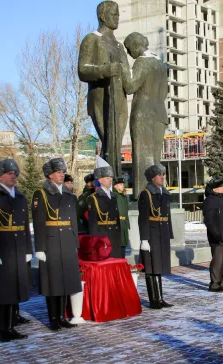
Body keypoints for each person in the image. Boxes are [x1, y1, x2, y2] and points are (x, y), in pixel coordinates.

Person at [0, 159, 32, 342]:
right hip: (1, 250)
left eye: (15, 173)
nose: (13, 177)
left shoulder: (20, 197)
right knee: (0, 292)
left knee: (12, 291)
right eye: (10, 173)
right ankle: (1, 330)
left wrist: (27, 249)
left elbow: (25, 226)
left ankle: (10, 327)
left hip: (17, 250)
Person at [78, 0, 129, 176]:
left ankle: (114, 182)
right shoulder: (92, 39)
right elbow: (82, 70)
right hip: (101, 98)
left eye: (118, 14)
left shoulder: (119, 45)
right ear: (102, 16)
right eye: (113, 14)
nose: (117, 17)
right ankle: (107, 183)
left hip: (120, 100)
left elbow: (127, 79)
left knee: (116, 144)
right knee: (108, 142)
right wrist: (104, 70)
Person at [32, 158, 81, 331]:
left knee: (65, 280)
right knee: (53, 282)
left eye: (62, 172)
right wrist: (39, 248)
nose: (62, 175)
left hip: (67, 240)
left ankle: (62, 316)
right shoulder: (42, 194)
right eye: (59, 172)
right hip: (51, 240)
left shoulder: (68, 193)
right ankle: (53, 318)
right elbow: (38, 223)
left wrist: (75, 242)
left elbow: (73, 219)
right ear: (50, 175)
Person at [121, 31, 169, 199]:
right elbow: (165, 92)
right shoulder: (161, 65)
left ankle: (142, 195)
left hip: (143, 113)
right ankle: (157, 193)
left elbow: (130, 86)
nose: (129, 53)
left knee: (141, 156)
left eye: (128, 49)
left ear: (135, 46)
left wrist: (123, 67)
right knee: (155, 156)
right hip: (160, 113)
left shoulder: (143, 62)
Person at [138, 163, 174, 309]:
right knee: (151, 267)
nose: (162, 177)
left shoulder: (164, 193)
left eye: (163, 175)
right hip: (152, 233)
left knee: (159, 266)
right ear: (153, 178)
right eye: (160, 175)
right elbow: (143, 218)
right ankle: (154, 299)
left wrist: (169, 233)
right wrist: (144, 238)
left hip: (162, 232)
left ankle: (160, 298)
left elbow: (167, 215)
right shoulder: (146, 194)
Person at [86, 156, 122, 258]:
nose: (110, 180)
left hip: (114, 233)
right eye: (107, 178)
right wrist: (95, 240)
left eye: (111, 178)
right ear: (100, 180)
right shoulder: (93, 198)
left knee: (115, 259)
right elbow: (93, 222)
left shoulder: (114, 196)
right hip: (103, 234)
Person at [114, 176, 131, 257]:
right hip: (117, 224)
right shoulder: (114, 196)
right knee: (118, 246)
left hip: (123, 224)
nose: (122, 186)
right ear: (115, 186)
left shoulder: (123, 197)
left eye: (122, 184)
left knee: (123, 245)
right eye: (120, 184)